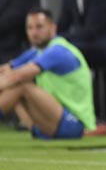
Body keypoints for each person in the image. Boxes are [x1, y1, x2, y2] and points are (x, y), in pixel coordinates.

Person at [0, 8, 96, 138]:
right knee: (12, 81)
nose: (34, 33)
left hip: (74, 124)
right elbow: (6, 70)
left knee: (22, 85)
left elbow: (17, 76)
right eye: (30, 28)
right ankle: (36, 130)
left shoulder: (58, 50)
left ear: (53, 28)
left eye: (39, 27)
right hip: (51, 122)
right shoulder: (37, 51)